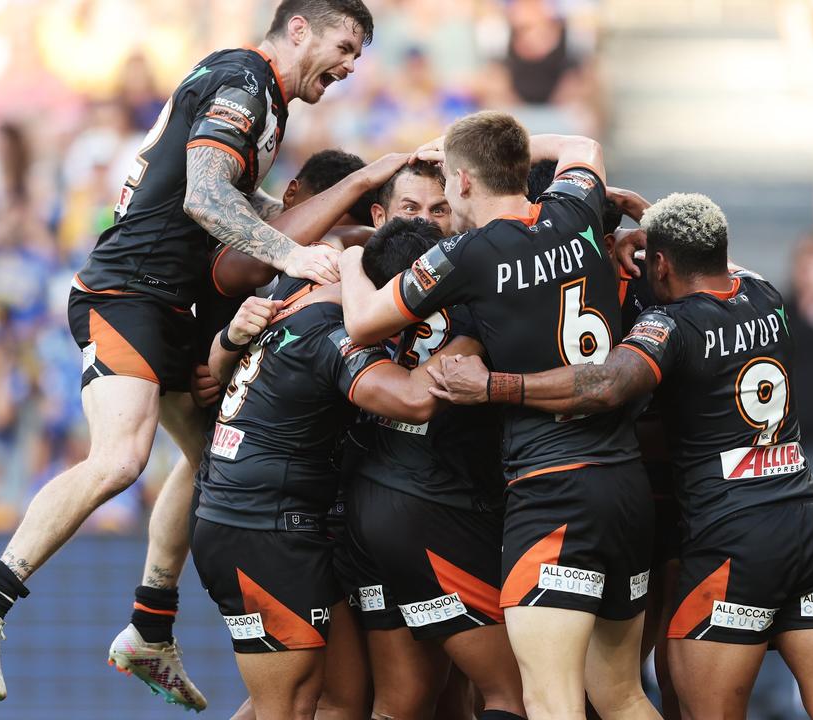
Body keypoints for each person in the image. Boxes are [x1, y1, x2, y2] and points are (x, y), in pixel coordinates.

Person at [0, 0, 375, 705]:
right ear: (299, 29)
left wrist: (343, 238)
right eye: (346, 44)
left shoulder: (259, 97)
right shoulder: (244, 79)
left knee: (214, 461)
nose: (352, 64)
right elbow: (205, 197)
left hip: (169, 301)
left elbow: (217, 191)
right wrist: (296, 251)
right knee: (119, 458)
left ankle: (150, 626)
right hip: (126, 291)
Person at [429, 192, 813, 719]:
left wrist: (495, 386)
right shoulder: (767, 294)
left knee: (691, 706)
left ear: (658, 263)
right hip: (809, 525)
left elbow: (609, 384)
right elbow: (707, 253)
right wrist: (649, 218)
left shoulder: (672, 326)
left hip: (735, 539)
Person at [340, 111, 658, 719]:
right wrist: (500, 150)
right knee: (620, 697)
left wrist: (350, 260)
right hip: (624, 482)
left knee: (546, 699)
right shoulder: (574, 209)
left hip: (551, 490)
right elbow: (582, 142)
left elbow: (362, 323)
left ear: (459, 181)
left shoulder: (467, 253)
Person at [107, 147, 397, 708]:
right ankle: (149, 614)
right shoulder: (263, 254)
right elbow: (240, 285)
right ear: (293, 200)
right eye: (323, 222)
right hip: (256, 506)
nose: (319, 250)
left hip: (292, 493)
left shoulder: (313, 281)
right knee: (291, 701)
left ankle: (151, 616)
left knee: (338, 695)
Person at [193, 218, 478, 719]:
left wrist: (347, 254)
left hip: (270, 521)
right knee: (288, 707)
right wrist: (478, 332)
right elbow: (413, 401)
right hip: (263, 531)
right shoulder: (335, 335)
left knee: (338, 700)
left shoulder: (302, 292)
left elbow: (224, 366)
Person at [346, 166, 525, 719]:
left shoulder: (353, 284)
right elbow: (420, 398)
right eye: (410, 209)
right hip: (434, 511)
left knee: (408, 702)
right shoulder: (482, 283)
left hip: (373, 508)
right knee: (513, 694)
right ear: (381, 216)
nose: (424, 221)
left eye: (437, 208)